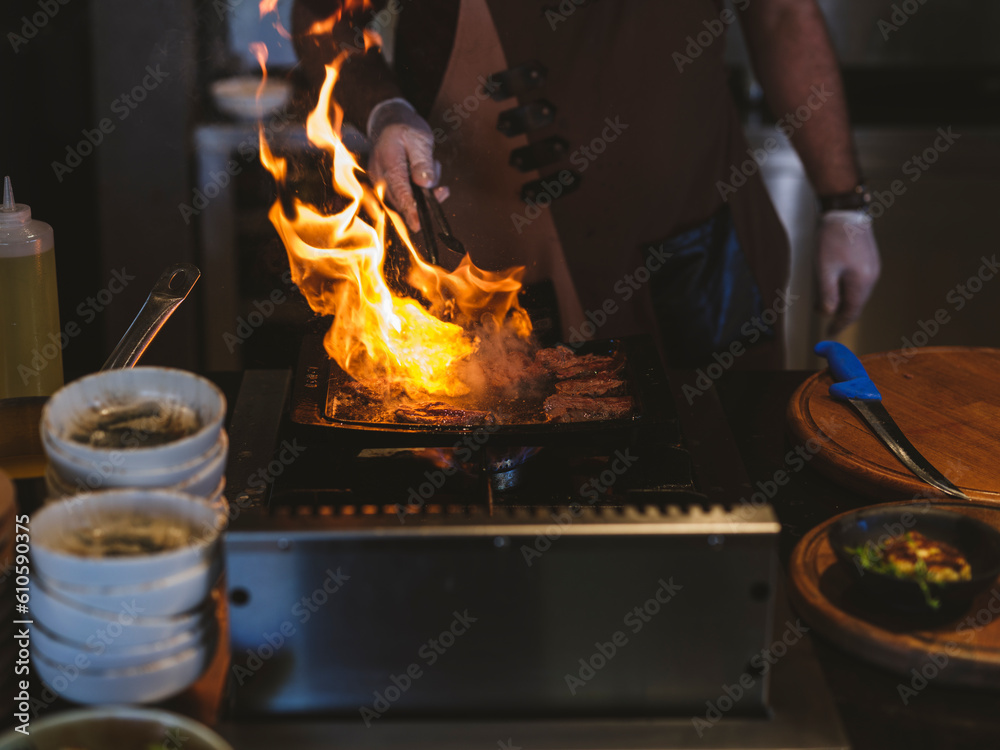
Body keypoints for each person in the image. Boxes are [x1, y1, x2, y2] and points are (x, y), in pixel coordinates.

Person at [291, 0, 880, 368]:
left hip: (702, 249)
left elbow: (781, 14)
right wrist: (385, 108)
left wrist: (843, 205)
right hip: (492, 270)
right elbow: (323, 13)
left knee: (726, 494)